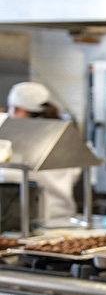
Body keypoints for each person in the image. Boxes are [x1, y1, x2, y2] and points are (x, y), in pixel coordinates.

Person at [3, 82, 81, 221]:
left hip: (36, 218)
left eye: (10, 108)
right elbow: (76, 173)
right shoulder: (62, 131)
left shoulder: (23, 137)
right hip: (65, 216)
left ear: (20, 110)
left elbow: (8, 176)